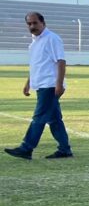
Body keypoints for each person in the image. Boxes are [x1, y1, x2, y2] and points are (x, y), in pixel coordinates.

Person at [4, 12, 72, 161]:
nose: (32, 26)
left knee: (39, 117)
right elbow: (37, 65)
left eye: (35, 23)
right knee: (54, 119)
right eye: (29, 24)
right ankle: (65, 149)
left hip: (50, 85)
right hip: (41, 85)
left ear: (43, 22)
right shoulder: (34, 43)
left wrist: (59, 84)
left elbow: (61, 61)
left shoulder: (52, 39)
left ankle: (26, 148)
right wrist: (28, 83)